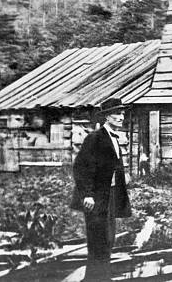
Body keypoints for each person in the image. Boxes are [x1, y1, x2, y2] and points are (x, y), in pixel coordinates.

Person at [70, 98, 131, 281]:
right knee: (98, 240)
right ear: (106, 116)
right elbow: (80, 167)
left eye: (122, 113)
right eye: (116, 113)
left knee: (108, 239)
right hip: (95, 198)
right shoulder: (95, 138)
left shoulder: (116, 138)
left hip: (110, 195)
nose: (121, 117)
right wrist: (87, 194)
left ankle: (102, 277)